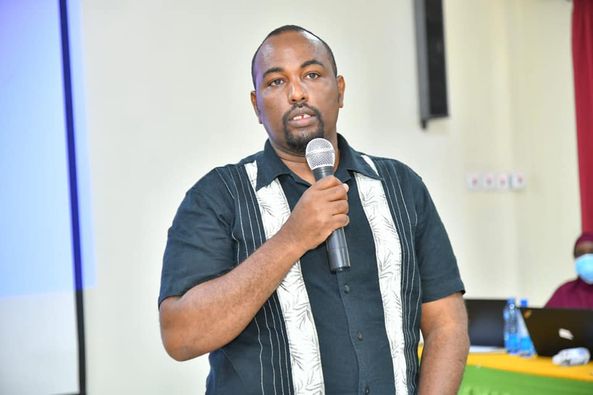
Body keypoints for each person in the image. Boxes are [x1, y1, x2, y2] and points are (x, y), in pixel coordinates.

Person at [159, 25, 469, 395]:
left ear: (339, 91)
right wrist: (292, 238)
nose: (296, 92)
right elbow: (181, 337)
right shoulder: (216, 197)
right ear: (257, 105)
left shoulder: (401, 187)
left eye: (311, 74)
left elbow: (446, 326)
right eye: (276, 82)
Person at [545, 232, 593, 309]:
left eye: (591, 252)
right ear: (575, 258)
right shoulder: (564, 293)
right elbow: (544, 319)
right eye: (580, 253)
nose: (586, 257)